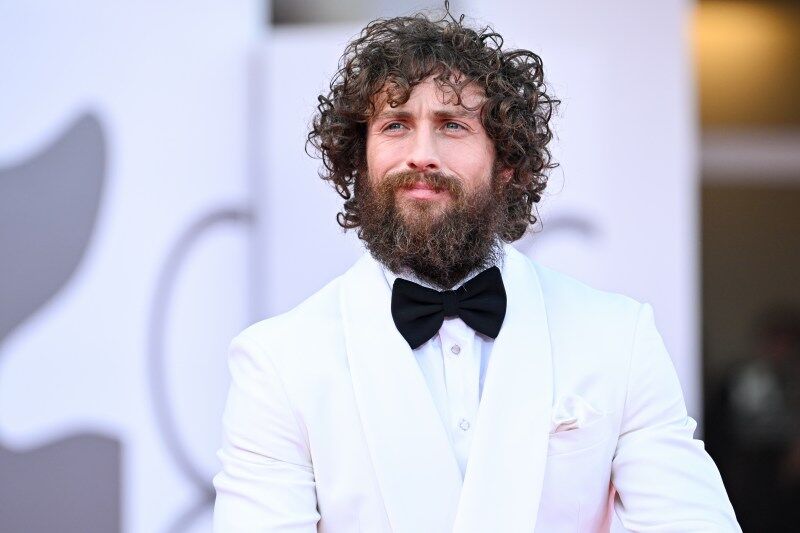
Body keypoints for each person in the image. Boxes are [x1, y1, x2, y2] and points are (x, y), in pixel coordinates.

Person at [213, 6, 741, 532]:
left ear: (506, 162)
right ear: (360, 161)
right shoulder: (280, 362)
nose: (422, 154)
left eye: (452, 125)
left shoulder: (618, 339)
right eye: (395, 125)